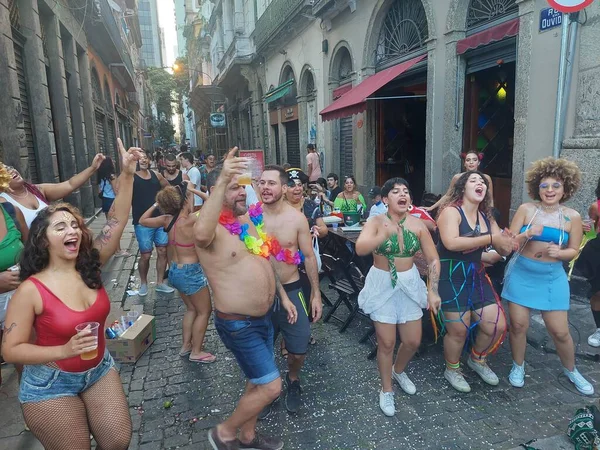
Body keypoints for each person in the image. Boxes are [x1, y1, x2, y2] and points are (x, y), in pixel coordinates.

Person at [1, 139, 139, 450]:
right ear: (43, 240)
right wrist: (64, 350)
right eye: (60, 227)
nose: (72, 231)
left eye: (74, 225)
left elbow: (116, 220)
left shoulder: (90, 266)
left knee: (118, 441)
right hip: (50, 384)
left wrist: (127, 174)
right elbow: (11, 350)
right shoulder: (30, 289)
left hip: (98, 369)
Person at [195, 148, 290, 450]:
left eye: (242, 187)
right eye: (234, 187)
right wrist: (223, 178)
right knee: (272, 386)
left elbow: (265, 260)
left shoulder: (247, 219)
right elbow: (199, 236)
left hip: (265, 318)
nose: (242, 193)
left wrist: (283, 297)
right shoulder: (207, 225)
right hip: (239, 324)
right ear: (216, 190)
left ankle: (248, 437)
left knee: (256, 380)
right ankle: (224, 433)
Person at [503, 158, 594, 395]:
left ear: (565, 189)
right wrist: (527, 235)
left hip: (552, 277)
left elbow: (574, 251)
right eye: (545, 186)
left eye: (556, 185)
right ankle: (518, 366)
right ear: (537, 188)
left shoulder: (572, 217)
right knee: (518, 326)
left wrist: (562, 253)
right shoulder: (526, 210)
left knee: (560, 331)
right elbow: (509, 243)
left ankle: (571, 370)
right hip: (522, 273)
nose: (550, 190)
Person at [356, 178, 440, 416]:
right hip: (382, 282)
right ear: (385, 199)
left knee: (413, 341)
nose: (402, 194)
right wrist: (383, 235)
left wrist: (432, 290)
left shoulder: (419, 225)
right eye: (395, 192)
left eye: (406, 191)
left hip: (410, 283)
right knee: (387, 342)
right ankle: (386, 390)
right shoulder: (375, 222)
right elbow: (361, 248)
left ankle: (398, 370)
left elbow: (433, 260)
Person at [436, 171, 514, 393]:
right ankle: (452, 369)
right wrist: (491, 238)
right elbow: (451, 243)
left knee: (496, 325)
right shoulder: (451, 212)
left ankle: (477, 359)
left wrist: (510, 241)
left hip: (476, 275)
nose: (480, 183)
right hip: (450, 274)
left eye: (483, 182)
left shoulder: (487, 216)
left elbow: (503, 248)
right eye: (474, 181)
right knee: (458, 330)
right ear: (462, 188)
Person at [258, 165, 322, 416]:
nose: (265, 187)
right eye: (261, 182)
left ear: (283, 188)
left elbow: (308, 256)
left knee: (298, 348)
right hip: (261, 292)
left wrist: (315, 294)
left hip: (293, 288)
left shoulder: (297, 219)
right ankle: (265, 387)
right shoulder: (251, 217)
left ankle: (293, 377)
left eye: (271, 183)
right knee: (260, 346)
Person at [139, 184, 215, 363]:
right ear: (184, 202)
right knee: (204, 311)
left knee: (191, 309)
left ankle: (186, 346)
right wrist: (193, 191)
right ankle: (196, 351)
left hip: (174, 271)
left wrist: (157, 204)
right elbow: (211, 203)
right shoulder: (189, 220)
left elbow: (142, 220)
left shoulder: (165, 220)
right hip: (190, 272)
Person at [1, 154, 106, 228]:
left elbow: (70, 184)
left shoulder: (36, 190)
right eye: (5, 171)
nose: (11, 171)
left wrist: (93, 168)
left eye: (10, 168)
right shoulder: (4, 202)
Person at [132, 151, 174, 297]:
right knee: (146, 255)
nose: (143, 160)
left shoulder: (156, 175)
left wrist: (165, 202)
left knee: (162, 251)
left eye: (145, 158)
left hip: (160, 220)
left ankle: (160, 282)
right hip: (141, 222)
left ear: (149, 161)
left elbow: (169, 188)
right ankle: (143, 283)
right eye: (140, 158)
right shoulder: (132, 177)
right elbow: (120, 190)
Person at [425, 151, 494, 212]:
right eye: (468, 160)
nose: (471, 162)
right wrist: (431, 207)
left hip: (480, 209)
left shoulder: (486, 178)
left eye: (474, 160)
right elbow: (448, 195)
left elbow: (490, 198)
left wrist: (492, 213)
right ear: (464, 163)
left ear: (478, 163)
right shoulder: (457, 177)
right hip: (461, 208)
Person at [577, 176, 600, 347]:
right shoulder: (596, 206)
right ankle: (599, 328)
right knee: (598, 292)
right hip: (597, 252)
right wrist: (584, 229)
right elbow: (591, 232)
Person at [97, 157, 129, 258]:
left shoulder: (101, 176)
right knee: (115, 227)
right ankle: (118, 250)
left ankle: (111, 249)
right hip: (112, 202)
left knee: (109, 226)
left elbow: (99, 191)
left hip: (105, 201)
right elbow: (116, 192)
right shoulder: (112, 176)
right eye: (112, 161)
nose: (114, 162)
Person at [284, 168, 328, 238]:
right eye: (292, 186)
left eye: (299, 185)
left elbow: (324, 229)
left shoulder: (310, 204)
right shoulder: (279, 206)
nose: (297, 188)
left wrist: (316, 230)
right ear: (284, 189)